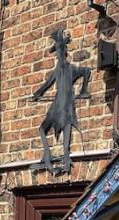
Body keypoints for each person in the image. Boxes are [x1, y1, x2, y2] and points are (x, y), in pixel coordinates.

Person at [31, 28, 92, 176]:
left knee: (43, 129)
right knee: (65, 129)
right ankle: (61, 158)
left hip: (59, 105)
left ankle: (49, 154)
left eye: (58, 51)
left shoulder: (61, 69)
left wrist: (37, 94)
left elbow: (47, 84)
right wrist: (83, 90)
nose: (57, 54)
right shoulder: (69, 69)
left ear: (62, 52)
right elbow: (86, 71)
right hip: (66, 105)